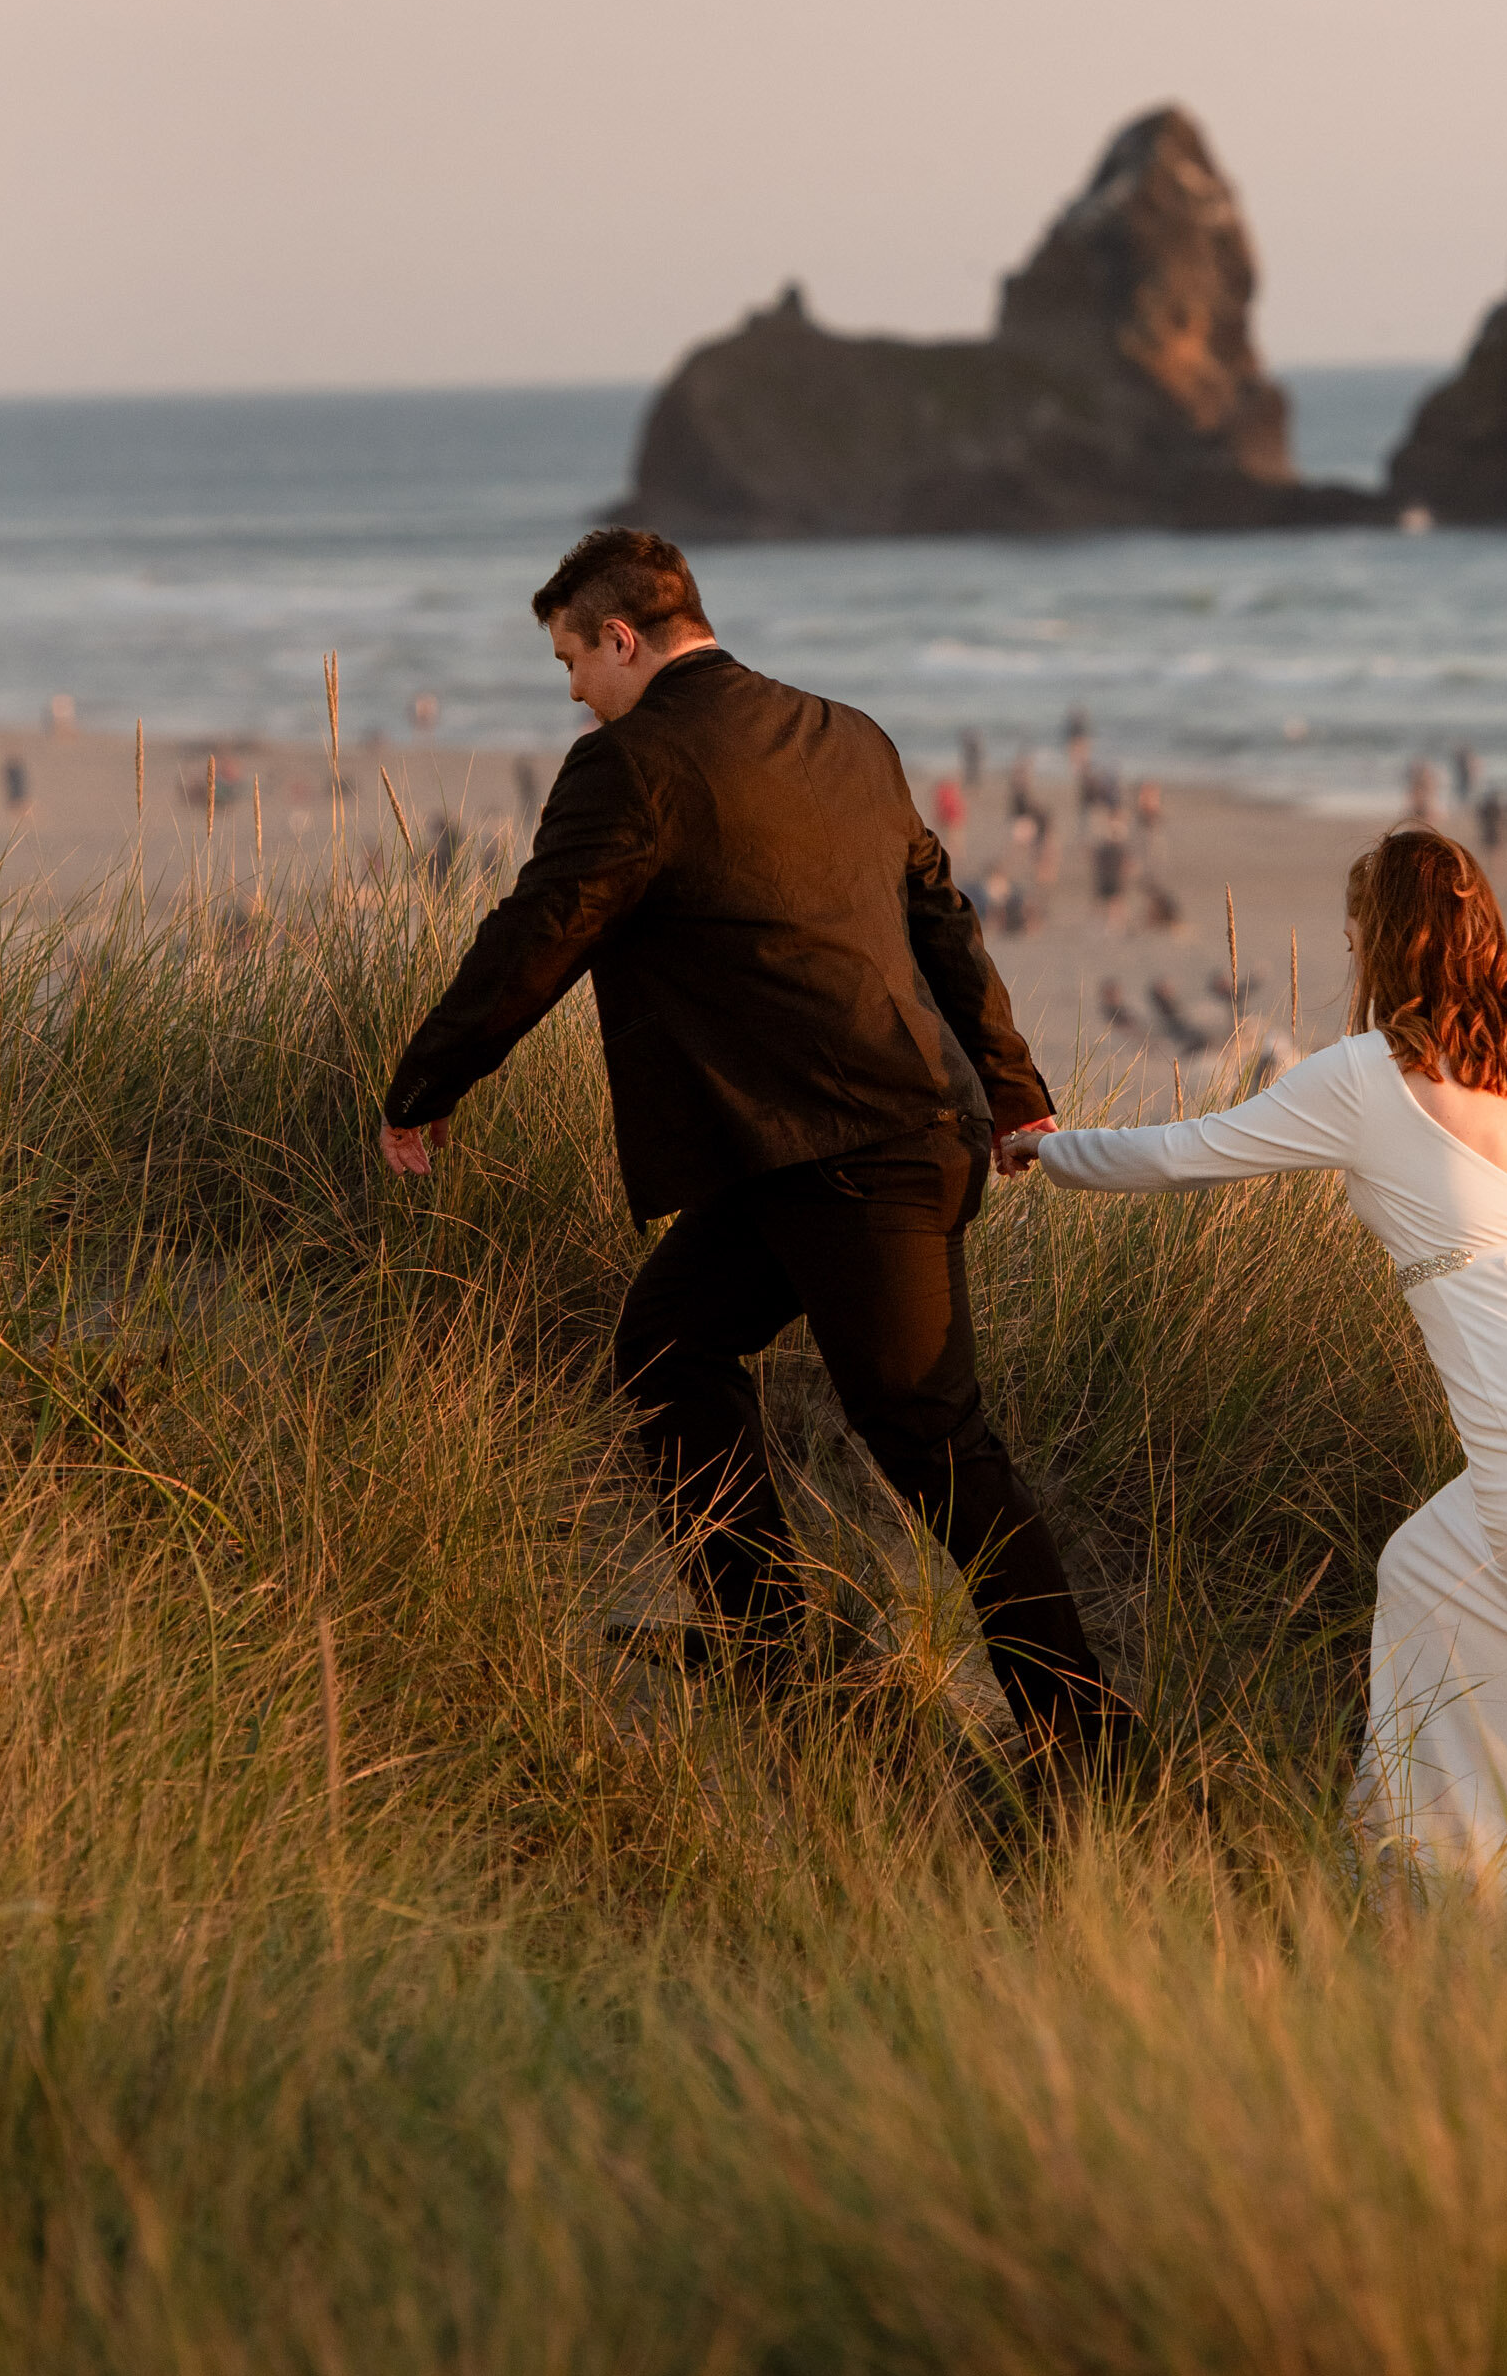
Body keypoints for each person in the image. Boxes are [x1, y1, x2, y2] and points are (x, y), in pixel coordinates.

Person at [380, 526, 1123, 1763]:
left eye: (572, 658)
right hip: (841, 1137)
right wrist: (1006, 1085)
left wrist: (422, 1083)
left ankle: (1085, 1737)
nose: (572, 687)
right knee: (670, 1345)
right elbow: (939, 909)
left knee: (934, 1445)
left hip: (859, 1151)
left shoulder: (633, 765)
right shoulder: (844, 731)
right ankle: (764, 1643)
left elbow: (539, 932)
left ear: (622, 638)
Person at [1007, 830, 1507, 1911]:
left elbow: (1186, 1151)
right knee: (1426, 1569)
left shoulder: (1367, 1078)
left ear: (1383, 944)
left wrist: (1046, 1150)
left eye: (1356, 931)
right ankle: (1434, 1864)